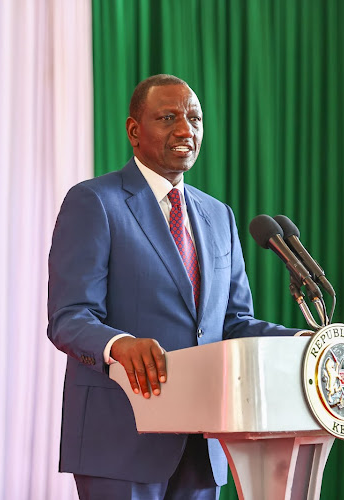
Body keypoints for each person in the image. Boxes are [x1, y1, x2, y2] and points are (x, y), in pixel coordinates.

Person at [47, 74, 300, 500]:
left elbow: (233, 323)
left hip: (204, 442)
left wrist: (305, 342)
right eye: (168, 118)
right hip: (121, 438)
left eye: (195, 118)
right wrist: (121, 344)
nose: (186, 130)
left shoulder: (220, 215)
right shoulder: (94, 202)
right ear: (134, 130)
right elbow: (69, 316)